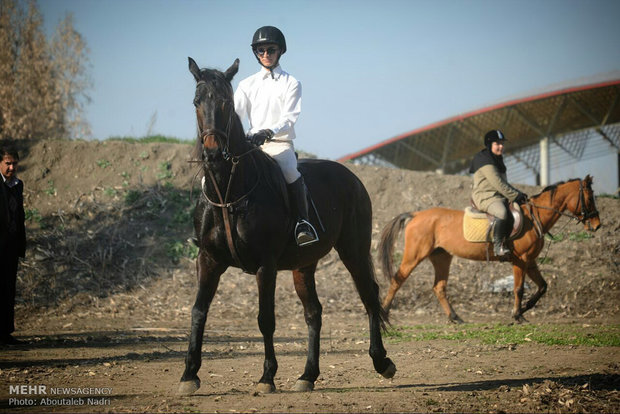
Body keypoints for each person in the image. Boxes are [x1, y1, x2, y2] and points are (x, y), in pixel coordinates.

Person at [234, 25, 318, 246]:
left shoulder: (291, 83)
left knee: (290, 170)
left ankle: (303, 222)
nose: (266, 55)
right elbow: (235, 116)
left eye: (270, 50)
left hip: (278, 143)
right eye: (261, 51)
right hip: (251, 144)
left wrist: (269, 131)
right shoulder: (245, 85)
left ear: (280, 51)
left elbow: (289, 117)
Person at [469, 130, 527, 260]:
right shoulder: (484, 160)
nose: (501, 146)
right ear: (489, 145)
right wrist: (515, 195)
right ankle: (498, 246)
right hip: (485, 196)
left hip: (498, 195)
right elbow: (498, 183)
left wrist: (519, 194)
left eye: (502, 143)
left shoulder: (497, 159)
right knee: (502, 212)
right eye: (497, 143)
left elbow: (504, 184)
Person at [0, 146, 26, 345]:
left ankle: (5, 333)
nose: (11, 167)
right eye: (7, 163)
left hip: (11, 246)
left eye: (14, 163)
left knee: (8, 289)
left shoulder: (18, 185)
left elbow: (19, 216)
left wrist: (20, 243)